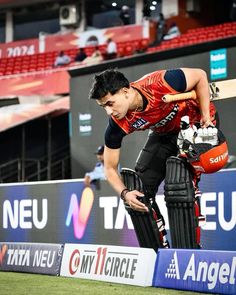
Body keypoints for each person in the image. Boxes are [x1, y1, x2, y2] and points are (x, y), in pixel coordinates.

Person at [88, 68, 223, 248]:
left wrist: (206, 115)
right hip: (165, 133)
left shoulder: (162, 82)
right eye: (104, 106)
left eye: (110, 103)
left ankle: (190, 254)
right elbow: (110, 168)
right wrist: (125, 194)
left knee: (178, 183)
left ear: (125, 92)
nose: (109, 111)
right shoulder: (116, 125)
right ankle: (159, 254)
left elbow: (200, 75)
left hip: (196, 123)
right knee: (139, 190)